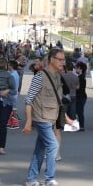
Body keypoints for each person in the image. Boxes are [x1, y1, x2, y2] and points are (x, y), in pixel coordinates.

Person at [23, 48, 67, 186]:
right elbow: (28, 99)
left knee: (39, 150)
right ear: (52, 60)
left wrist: (67, 118)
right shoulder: (40, 76)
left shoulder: (58, 76)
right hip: (41, 118)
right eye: (60, 59)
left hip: (51, 118)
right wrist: (28, 122)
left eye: (63, 59)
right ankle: (49, 179)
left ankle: (31, 179)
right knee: (53, 145)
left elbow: (58, 101)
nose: (63, 62)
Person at [0, 58, 16, 155]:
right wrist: (6, 91)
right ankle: (2, 146)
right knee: (3, 125)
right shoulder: (10, 76)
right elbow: (14, 90)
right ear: (6, 66)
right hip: (7, 103)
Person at [75, 61, 87, 131]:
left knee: (79, 112)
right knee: (79, 111)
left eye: (76, 68)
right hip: (82, 96)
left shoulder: (80, 77)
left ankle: (81, 126)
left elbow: (78, 87)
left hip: (80, 96)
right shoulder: (82, 77)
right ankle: (81, 125)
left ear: (80, 68)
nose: (75, 70)